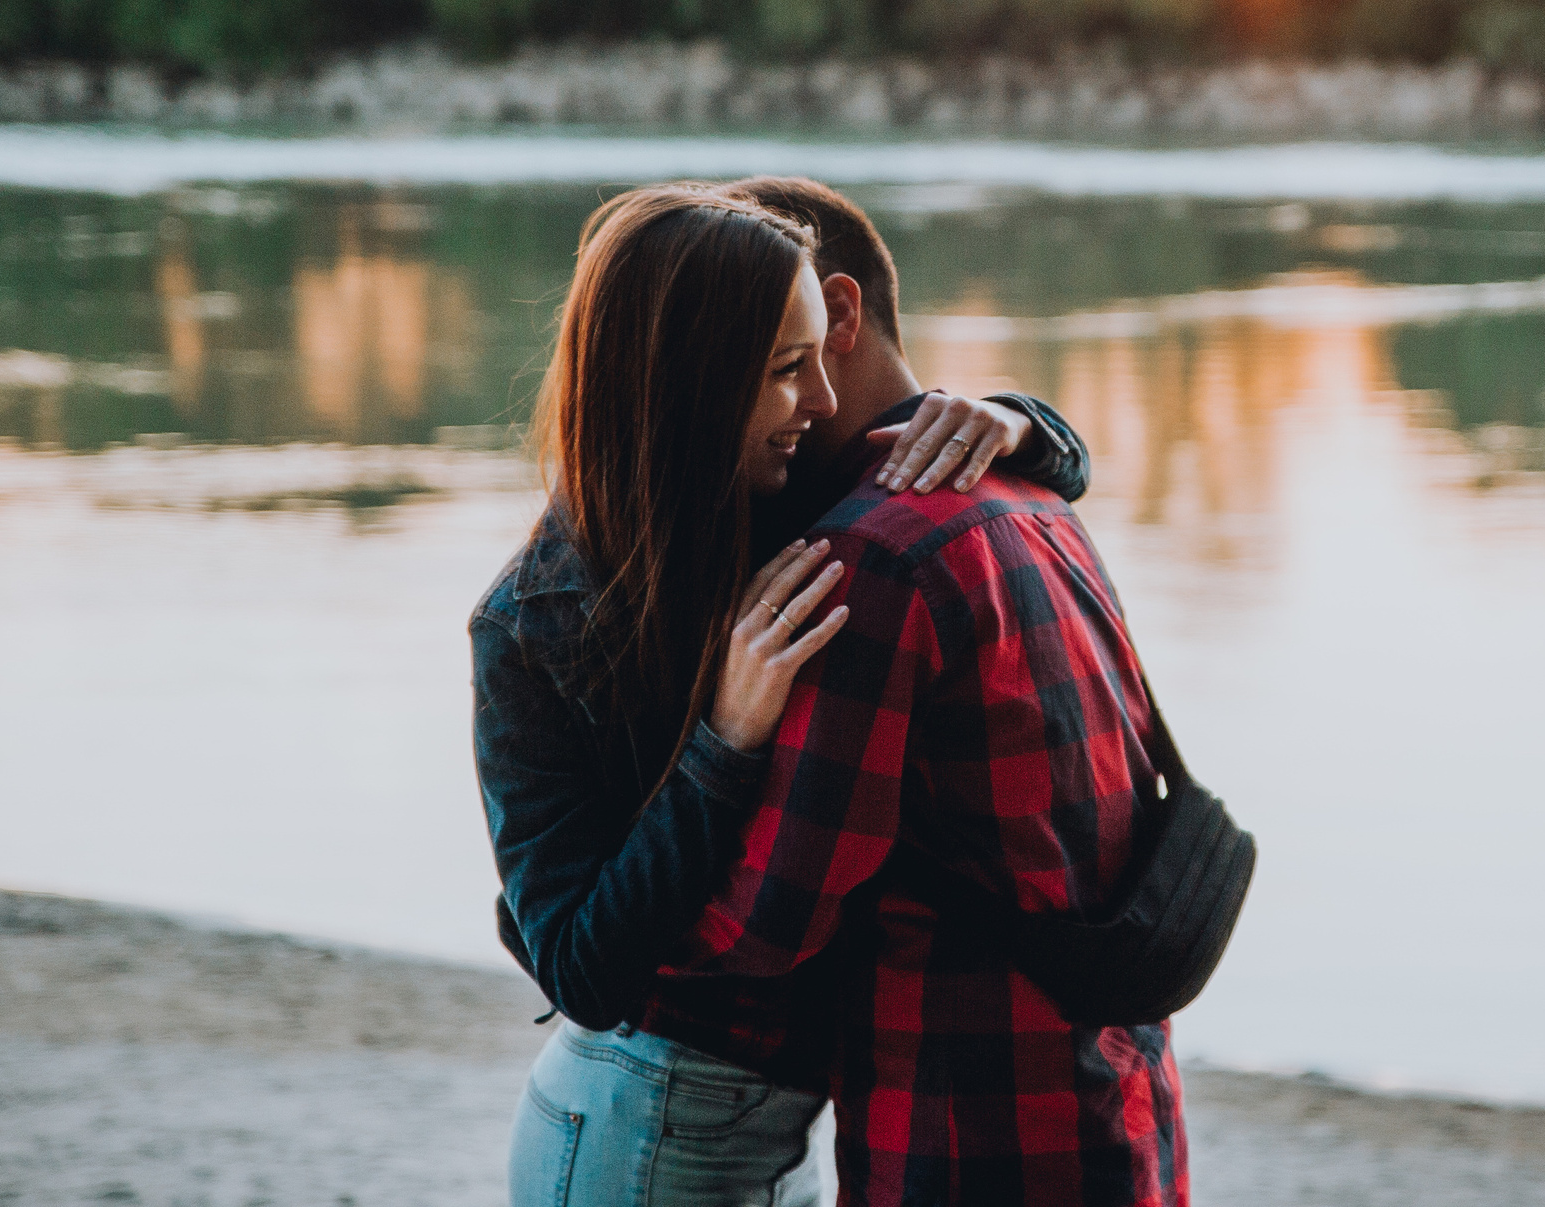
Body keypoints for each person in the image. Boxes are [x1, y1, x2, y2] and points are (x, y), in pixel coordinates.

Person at [469, 181, 1094, 1207]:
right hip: (638, 1129)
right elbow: (581, 968)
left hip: (776, 1128)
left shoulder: (772, 494)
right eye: (786, 370)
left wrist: (1021, 427)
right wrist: (726, 737)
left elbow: (1042, 482)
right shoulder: (533, 626)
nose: (826, 401)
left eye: (816, 357)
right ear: (692, 385)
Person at [660, 177, 1187, 1207]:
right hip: (1121, 1109)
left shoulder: (876, 558)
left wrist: (589, 932)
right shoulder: (1029, 495)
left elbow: (767, 924)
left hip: (973, 1137)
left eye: (747, 350)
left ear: (839, 315)